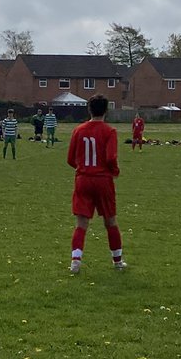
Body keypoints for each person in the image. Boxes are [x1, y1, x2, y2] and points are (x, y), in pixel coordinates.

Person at [67, 94, 125, 273]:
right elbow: (111, 157)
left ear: (89, 110)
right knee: (110, 221)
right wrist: (114, 171)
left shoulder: (78, 130)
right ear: (106, 110)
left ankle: (76, 260)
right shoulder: (109, 131)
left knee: (81, 223)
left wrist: (83, 168)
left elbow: (70, 159)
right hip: (102, 180)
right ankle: (117, 261)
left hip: (83, 179)